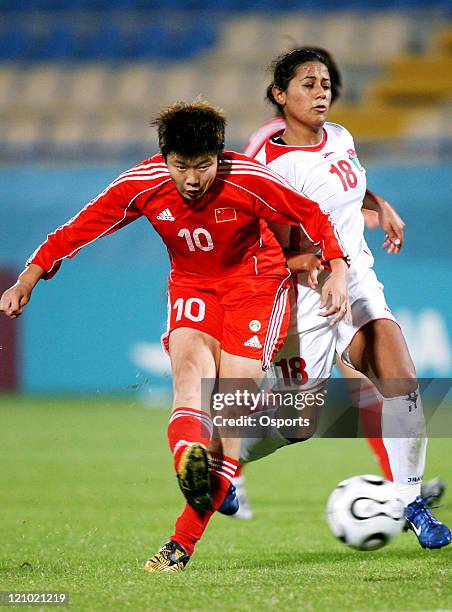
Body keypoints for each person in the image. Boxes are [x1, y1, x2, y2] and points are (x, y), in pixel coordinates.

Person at [0, 100, 351, 572]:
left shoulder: (249, 179)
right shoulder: (142, 185)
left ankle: (182, 540)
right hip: (193, 287)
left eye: (202, 166)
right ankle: (189, 461)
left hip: (257, 289)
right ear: (163, 157)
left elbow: (312, 215)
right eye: (180, 166)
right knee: (189, 382)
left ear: (219, 156)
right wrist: (27, 279)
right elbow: (76, 231)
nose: (190, 179)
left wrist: (339, 270)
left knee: (230, 416)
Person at [222, 48, 451, 549]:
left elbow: (345, 184)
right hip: (304, 298)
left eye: (325, 82)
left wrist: (379, 204)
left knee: (401, 377)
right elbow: (276, 248)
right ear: (280, 96)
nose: (321, 91)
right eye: (307, 84)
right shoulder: (269, 165)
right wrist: (322, 272)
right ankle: (226, 462)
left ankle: (410, 501)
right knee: (296, 424)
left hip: (356, 280)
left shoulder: (341, 136)